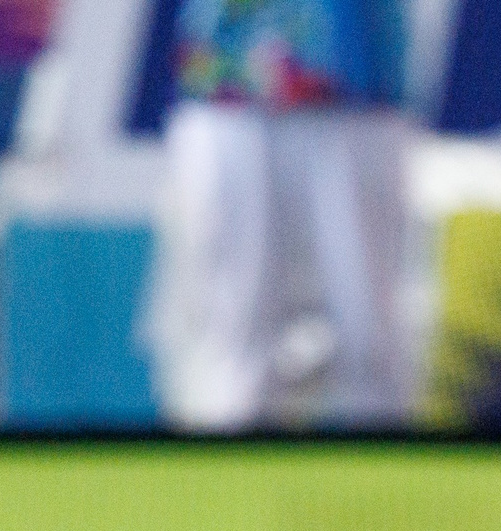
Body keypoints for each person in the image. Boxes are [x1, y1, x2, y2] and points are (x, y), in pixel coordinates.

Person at [155, 0, 416, 429]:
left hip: (356, 82)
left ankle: (381, 489)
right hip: (224, 84)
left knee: (368, 333)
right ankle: (230, 488)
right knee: (232, 336)